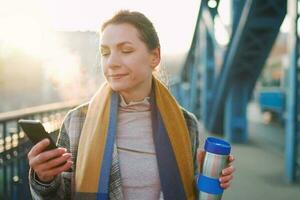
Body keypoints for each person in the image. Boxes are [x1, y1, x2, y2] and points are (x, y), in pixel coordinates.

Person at [27, 10, 235, 200]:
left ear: (155, 57)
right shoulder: (77, 121)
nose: (112, 62)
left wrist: (207, 180)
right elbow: (58, 196)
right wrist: (44, 179)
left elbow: (186, 192)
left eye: (126, 50)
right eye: (105, 52)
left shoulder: (186, 123)